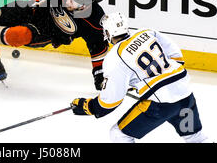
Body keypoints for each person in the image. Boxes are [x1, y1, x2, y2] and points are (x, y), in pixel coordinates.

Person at [71, 12, 210, 143]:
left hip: (160, 106)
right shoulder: (146, 32)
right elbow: (175, 55)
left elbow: (110, 102)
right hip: (185, 95)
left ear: (107, 33)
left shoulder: (115, 57)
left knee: (119, 134)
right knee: (195, 137)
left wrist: (89, 106)